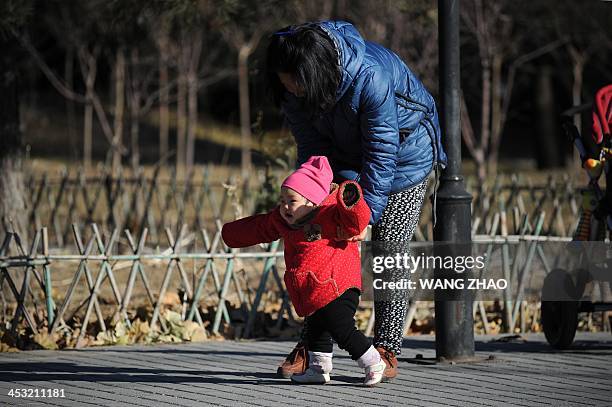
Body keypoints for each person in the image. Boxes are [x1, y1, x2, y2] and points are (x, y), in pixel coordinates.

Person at [266, 20, 447, 381]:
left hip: (404, 158)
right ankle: (314, 345)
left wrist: (362, 218)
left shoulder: (370, 76)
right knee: (318, 242)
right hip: (345, 156)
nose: (289, 89)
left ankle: (387, 346)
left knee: (389, 247)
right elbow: (312, 153)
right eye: (284, 81)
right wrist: (311, 197)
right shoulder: (294, 90)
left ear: (314, 73)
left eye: (294, 82)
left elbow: (382, 154)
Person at [222, 156, 387, 386]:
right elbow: (259, 228)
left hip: (338, 283)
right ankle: (318, 369)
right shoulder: (283, 220)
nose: (285, 207)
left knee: (341, 327)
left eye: (291, 200)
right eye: (282, 200)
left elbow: (356, 221)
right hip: (311, 287)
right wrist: (230, 234)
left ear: (312, 201)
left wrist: (351, 199)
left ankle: (372, 361)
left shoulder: (331, 214)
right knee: (316, 329)